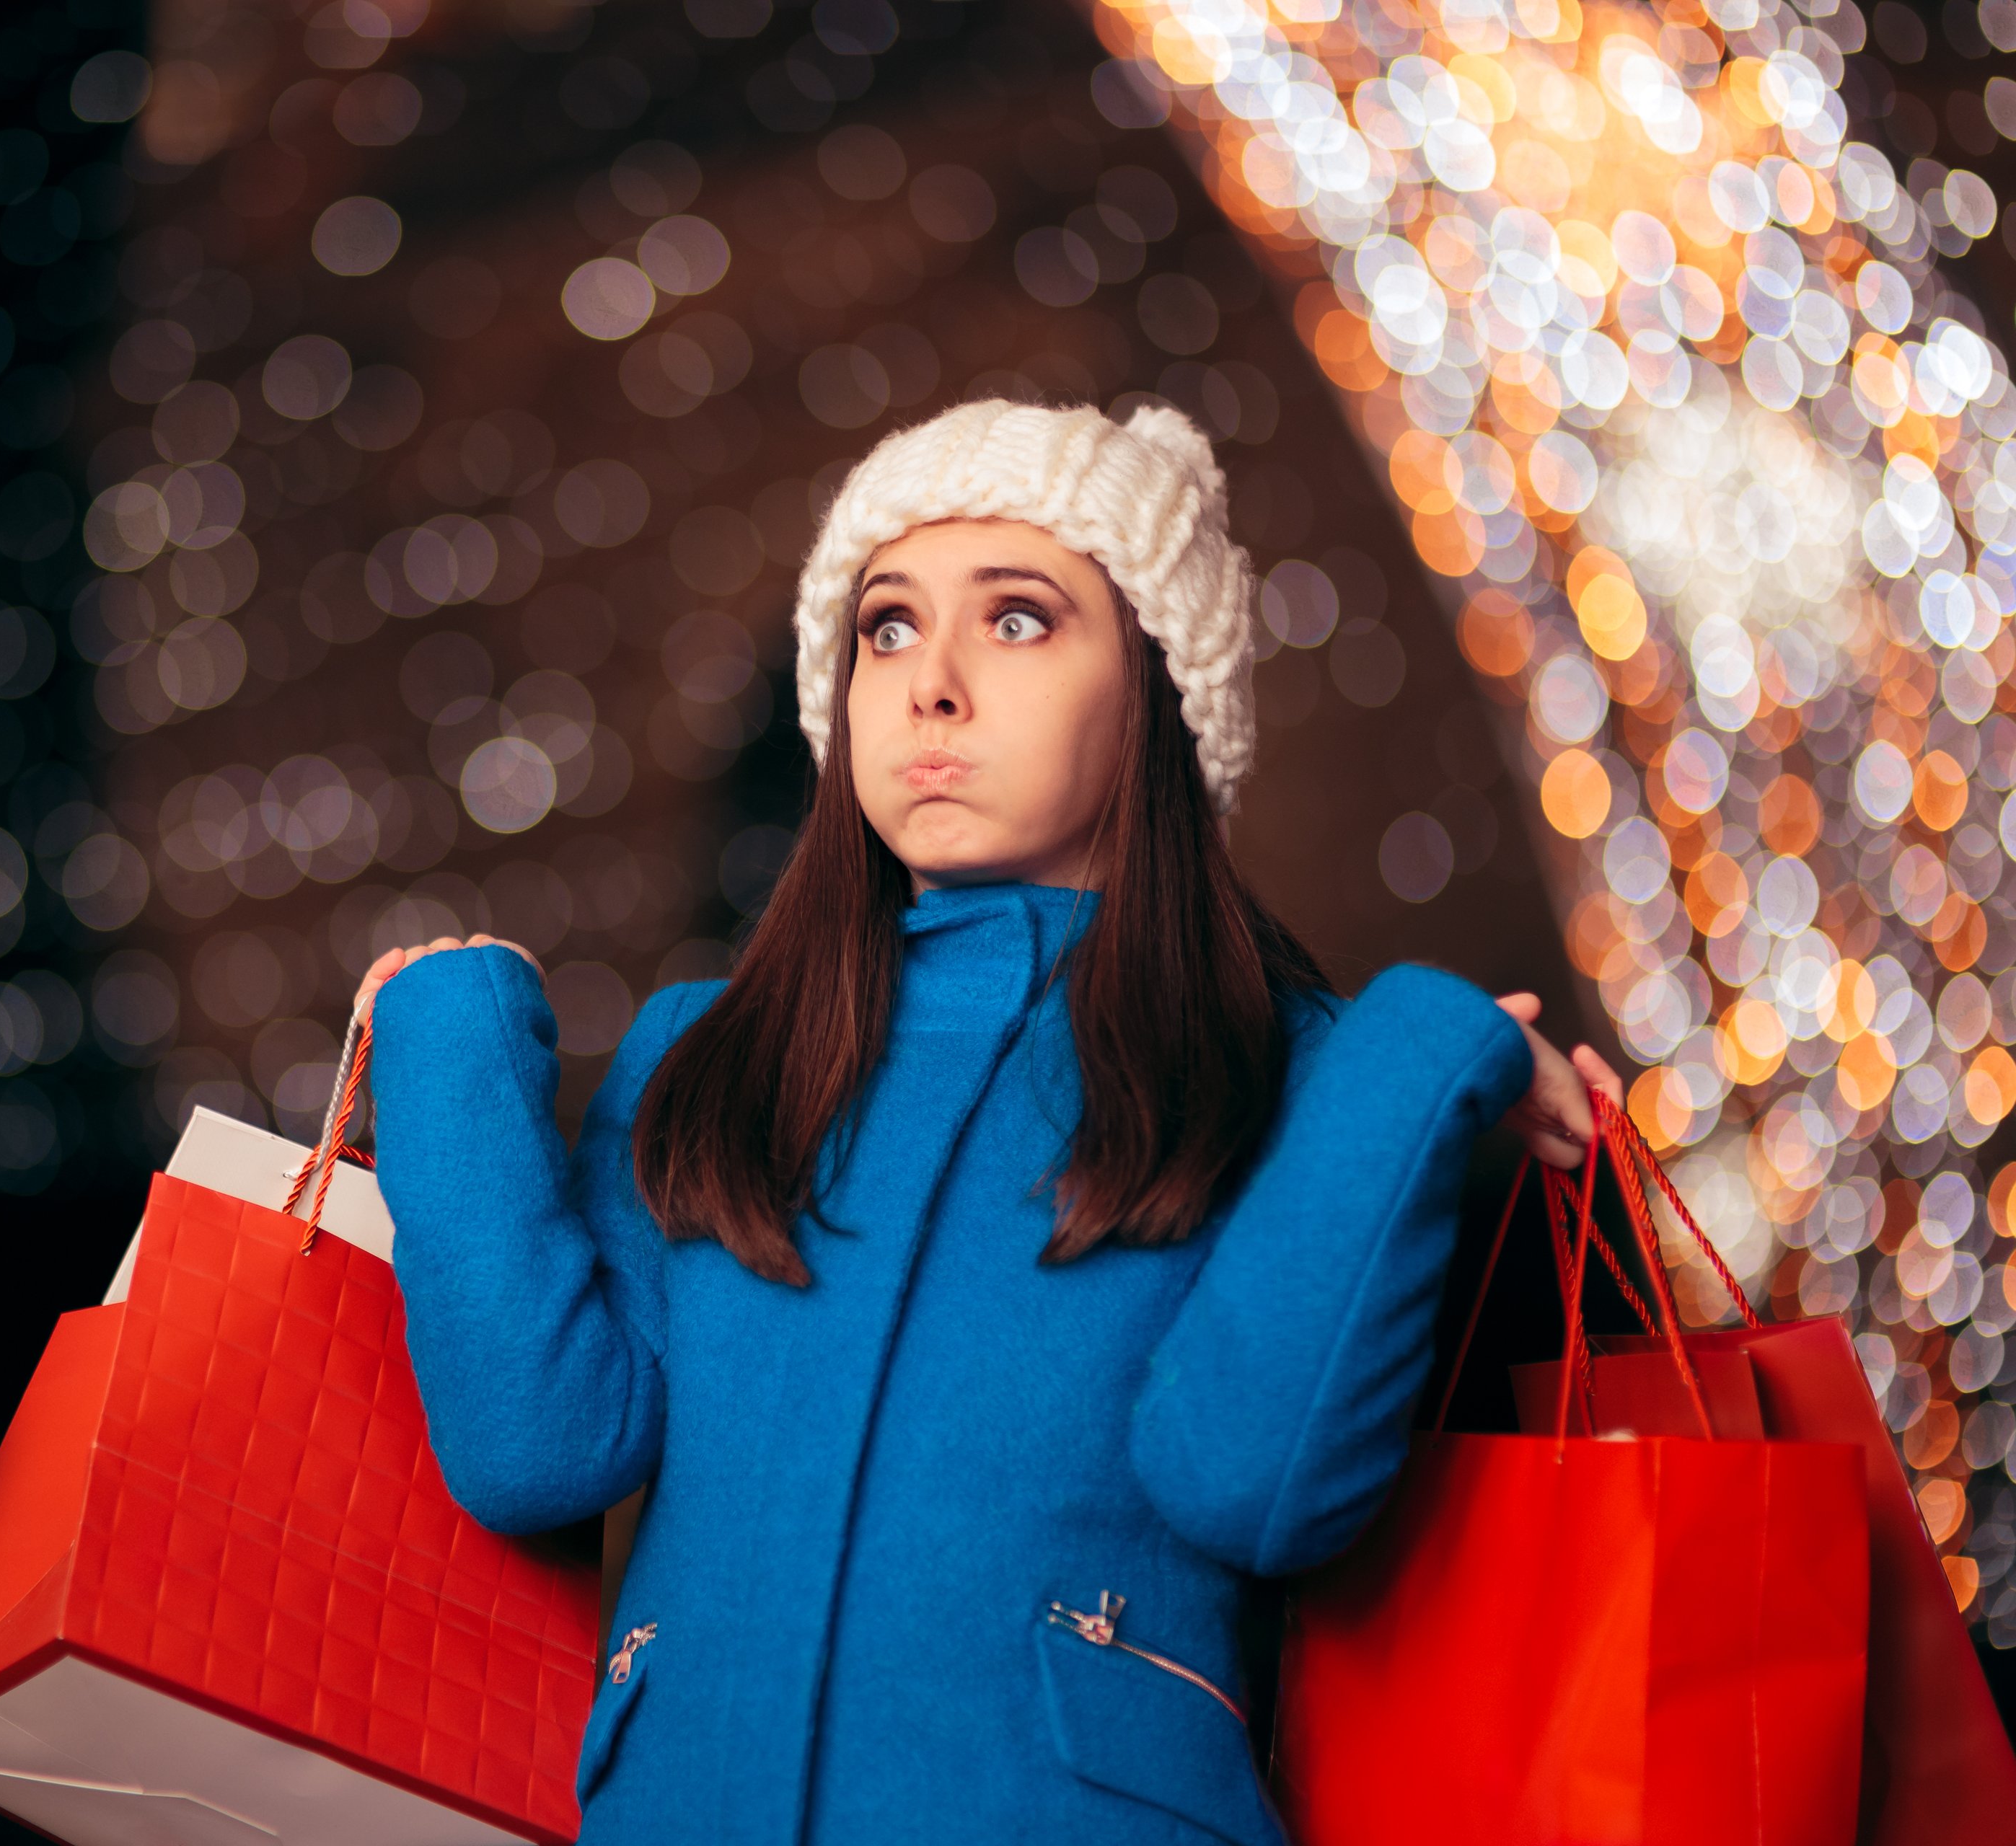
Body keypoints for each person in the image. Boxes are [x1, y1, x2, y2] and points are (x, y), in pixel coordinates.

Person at [350, 399, 1621, 1846]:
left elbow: (1254, 1484)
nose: (929, 685)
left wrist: (1423, 1051)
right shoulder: (709, 1052)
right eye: (886, 628)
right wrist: (450, 1038)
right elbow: (544, 1446)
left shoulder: (1289, 1067)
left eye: (1018, 619)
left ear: (1157, 687)